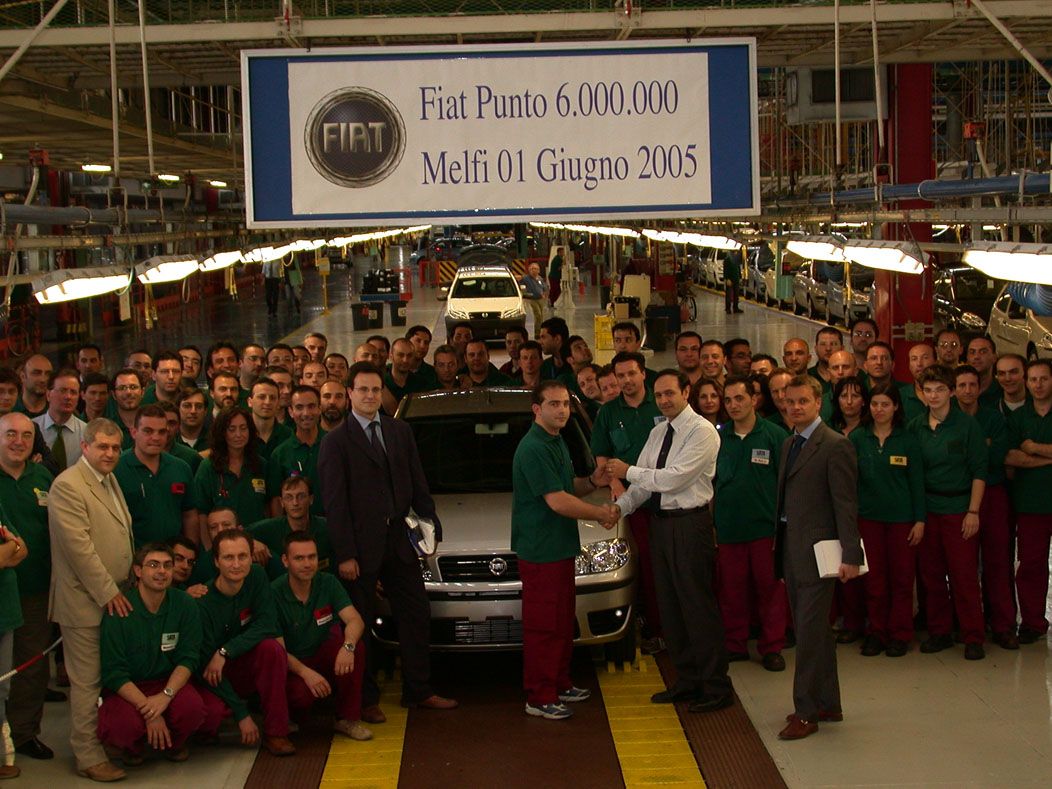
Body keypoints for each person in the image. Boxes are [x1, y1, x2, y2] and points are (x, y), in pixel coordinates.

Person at [319, 362, 456, 721]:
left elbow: (417, 481)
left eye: (375, 390)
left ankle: (418, 690)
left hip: (398, 540)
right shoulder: (335, 442)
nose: (369, 396)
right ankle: (365, 699)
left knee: (416, 613)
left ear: (382, 393)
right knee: (360, 622)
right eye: (362, 390)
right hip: (360, 549)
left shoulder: (399, 431)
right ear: (349, 393)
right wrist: (346, 553)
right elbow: (334, 504)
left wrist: (430, 524)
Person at [609, 369, 733, 711]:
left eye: (670, 394)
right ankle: (689, 680)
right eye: (659, 395)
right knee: (670, 607)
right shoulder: (658, 431)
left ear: (686, 392)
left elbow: (673, 480)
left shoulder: (702, 432)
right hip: (660, 527)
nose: (664, 400)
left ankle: (716, 686)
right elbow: (644, 486)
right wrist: (618, 510)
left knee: (697, 605)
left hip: (689, 525)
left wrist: (626, 470)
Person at [512, 380, 613, 720]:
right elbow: (556, 501)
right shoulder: (533, 448)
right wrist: (600, 513)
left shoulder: (556, 442)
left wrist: (594, 483)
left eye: (566, 405)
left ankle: (559, 682)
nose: (562, 411)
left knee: (559, 622)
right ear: (536, 409)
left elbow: (568, 487)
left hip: (558, 548)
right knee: (543, 626)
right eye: (553, 404)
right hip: (540, 551)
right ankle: (539, 697)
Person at [775, 375, 862, 741]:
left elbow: (845, 504)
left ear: (819, 402)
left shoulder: (834, 446)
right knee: (817, 632)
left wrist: (851, 554)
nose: (795, 407)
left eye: (802, 402)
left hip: (819, 554)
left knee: (809, 635)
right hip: (792, 552)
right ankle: (829, 702)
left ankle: (807, 712)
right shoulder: (789, 443)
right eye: (789, 401)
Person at [48, 417, 134, 781]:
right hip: (86, 600)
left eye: (115, 447)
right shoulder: (68, 485)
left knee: (107, 676)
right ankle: (87, 755)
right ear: (85, 446)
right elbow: (79, 550)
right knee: (86, 682)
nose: (110, 453)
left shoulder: (109, 478)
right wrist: (109, 591)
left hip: (115, 597)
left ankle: (107, 740)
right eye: (102, 446)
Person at [97, 543, 214, 765]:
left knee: (193, 710)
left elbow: (188, 658)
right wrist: (151, 711)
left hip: (167, 683)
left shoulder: (185, 604)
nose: (162, 571)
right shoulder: (120, 608)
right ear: (138, 571)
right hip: (128, 688)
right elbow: (114, 672)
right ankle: (133, 748)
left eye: (167, 566)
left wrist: (166, 694)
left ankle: (174, 744)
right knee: (123, 726)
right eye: (153, 565)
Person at [908, 364, 987, 660]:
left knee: (964, 575)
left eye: (940, 389)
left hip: (959, 508)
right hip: (928, 509)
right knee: (931, 575)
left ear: (951, 391)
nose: (934, 395)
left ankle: (972, 635)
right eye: (928, 390)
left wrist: (973, 511)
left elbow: (979, 470)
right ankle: (939, 631)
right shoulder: (916, 427)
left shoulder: (967, 426)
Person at [195, 529, 295, 756]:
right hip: (212, 675)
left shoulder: (257, 576)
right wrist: (241, 714)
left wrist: (225, 651)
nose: (236, 564)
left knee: (272, 648)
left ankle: (276, 732)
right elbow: (205, 665)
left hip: (238, 662)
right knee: (209, 715)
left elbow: (267, 624)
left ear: (252, 557)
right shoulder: (203, 603)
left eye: (243, 556)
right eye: (229, 557)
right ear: (216, 561)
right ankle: (220, 719)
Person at [712, 376, 789, 671]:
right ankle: (735, 644)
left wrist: (783, 528)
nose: (733, 405)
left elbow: (788, 485)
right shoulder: (717, 438)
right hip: (729, 530)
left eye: (739, 398)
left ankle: (772, 648)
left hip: (764, 530)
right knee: (731, 591)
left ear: (754, 400)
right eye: (728, 400)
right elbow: (711, 485)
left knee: (770, 591)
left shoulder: (774, 436)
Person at [591, 352, 664, 649]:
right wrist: (615, 482)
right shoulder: (608, 413)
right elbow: (602, 456)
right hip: (634, 504)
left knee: (668, 567)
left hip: (668, 499)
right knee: (644, 566)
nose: (626, 381)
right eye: (620, 376)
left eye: (632, 374)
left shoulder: (660, 403)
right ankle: (652, 625)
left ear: (644, 373)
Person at [850, 383, 925, 658]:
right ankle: (877, 633)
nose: (879, 410)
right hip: (868, 520)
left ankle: (900, 634)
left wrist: (920, 520)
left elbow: (917, 483)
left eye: (885, 404)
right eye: (874, 404)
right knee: (874, 581)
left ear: (895, 407)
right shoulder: (858, 439)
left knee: (903, 580)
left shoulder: (907, 440)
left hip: (903, 520)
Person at [273, 532, 370, 741]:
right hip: (293, 665)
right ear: (285, 561)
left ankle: (347, 718)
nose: (307, 564)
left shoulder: (328, 582)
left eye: (312, 557)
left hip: (322, 655)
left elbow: (355, 620)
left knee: (357, 647)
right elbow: (277, 650)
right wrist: (305, 673)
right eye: (299, 558)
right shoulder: (273, 594)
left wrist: (348, 647)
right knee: (300, 697)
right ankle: (291, 718)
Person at [0, 413, 56, 761]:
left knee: (32, 666)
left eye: (25, 435)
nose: (18, 441)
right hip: (0, 589)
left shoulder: (44, 478)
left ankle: (23, 733)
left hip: (35, 589)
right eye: (10, 434)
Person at [954, 364, 1016, 649]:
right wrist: (980, 446)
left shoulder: (993, 418)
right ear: (954, 390)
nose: (967, 390)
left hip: (992, 493)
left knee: (997, 562)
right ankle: (967, 624)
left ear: (979, 388)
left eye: (972, 385)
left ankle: (1003, 625)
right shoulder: (947, 418)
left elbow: (997, 455)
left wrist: (970, 450)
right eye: (962, 385)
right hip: (958, 496)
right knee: (962, 566)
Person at [1004, 358, 1052, 645]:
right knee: (1031, 565)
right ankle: (1033, 622)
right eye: (1032, 379)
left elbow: (1023, 454)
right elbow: (1010, 457)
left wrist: (1033, 449)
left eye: (1043, 379)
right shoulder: (1018, 418)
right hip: (1031, 504)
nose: (1037, 385)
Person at [113, 405, 196, 548]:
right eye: (148, 431)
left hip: (173, 558)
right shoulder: (116, 469)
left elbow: (189, 515)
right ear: (134, 432)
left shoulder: (181, 468)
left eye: (161, 432)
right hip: (132, 558)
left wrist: (190, 553)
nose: (156, 438)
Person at [193, 407, 271, 536]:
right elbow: (201, 514)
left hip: (258, 544)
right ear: (222, 432)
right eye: (232, 429)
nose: (238, 434)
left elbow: (268, 507)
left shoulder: (261, 464)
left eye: (243, 428)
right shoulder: (208, 467)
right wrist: (208, 550)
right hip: (222, 545)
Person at [250, 476, 333, 580]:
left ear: (311, 499)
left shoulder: (327, 527)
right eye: (289, 497)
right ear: (282, 502)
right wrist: (251, 542)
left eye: (301, 496)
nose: (295, 503)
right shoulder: (268, 529)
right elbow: (237, 534)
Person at [0, 495, 28, 780]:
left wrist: (11, 547)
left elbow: (23, 549)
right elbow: (13, 549)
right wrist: (10, 547)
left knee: (1, 689)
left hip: (4, 612)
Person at [268, 386, 325, 517]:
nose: (306, 413)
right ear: (291, 411)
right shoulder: (280, 454)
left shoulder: (335, 446)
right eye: (299, 407)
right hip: (295, 531)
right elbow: (276, 499)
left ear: (320, 409)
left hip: (332, 526)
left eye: (311, 406)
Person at [33, 369, 86, 472]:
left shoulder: (87, 433)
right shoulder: (30, 428)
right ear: (48, 395)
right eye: (63, 390)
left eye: (73, 392)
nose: (68, 397)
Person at [249, 377, 292, 460]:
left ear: (278, 402)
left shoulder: (288, 435)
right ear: (250, 402)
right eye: (261, 397)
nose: (267, 402)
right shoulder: (241, 434)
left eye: (272, 398)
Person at [900, 342, 935, 422]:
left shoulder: (946, 394)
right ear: (909, 365)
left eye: (925, 358)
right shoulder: (901, 395)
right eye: (914, 359)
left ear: (935, 362)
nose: (919, 364)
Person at [966, 336, 1001, 408]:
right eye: (972, 352)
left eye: (983, 352)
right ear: (967, 358)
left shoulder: (1002, 391)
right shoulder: (957, 391)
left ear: (994, 357)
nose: (976, 356)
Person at [16, 355, 53, 419]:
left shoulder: (59, 409)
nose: (43, 379)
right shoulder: (10, 409)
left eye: (47, 374)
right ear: (23, 377)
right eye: (36, 373)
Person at [809, 327, 843, 391]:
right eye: (823, 344)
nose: (828, 348)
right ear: (816, 349)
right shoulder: (807, 377)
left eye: (833, 344)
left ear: (842, 348)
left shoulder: (848, 376)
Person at [519, 262, 547, 334]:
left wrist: (544, 293)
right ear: (529, 270)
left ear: (538, 270)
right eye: (532, 269)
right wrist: (524, 292)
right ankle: (537, 333)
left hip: (540, 299)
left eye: (536, 269)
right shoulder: (526, 278)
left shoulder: (540, 278)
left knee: (541, 316)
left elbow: (544, 287)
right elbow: (520, 285)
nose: (534, 270)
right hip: (532, 299)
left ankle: (540, 331)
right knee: (538, 315)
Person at [722, 249, 743, 313]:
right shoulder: (727, 259)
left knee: (736, 294)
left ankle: (735, 307)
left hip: (736, 278)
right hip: (730, 279)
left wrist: (740, 277)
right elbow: (725, 270)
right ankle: (728, 308)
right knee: (728, 294)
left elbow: (738, 268)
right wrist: (727, 278)